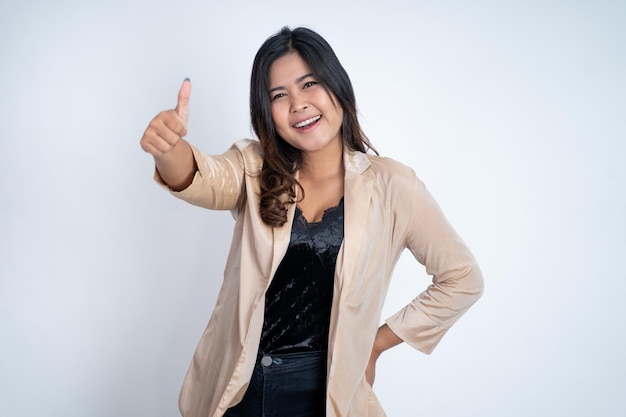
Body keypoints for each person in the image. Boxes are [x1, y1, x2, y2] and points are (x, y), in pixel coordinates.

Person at [140, 26, 483, 417]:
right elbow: (203, 178)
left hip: (322, 389)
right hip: (239, 385)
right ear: (266, 112)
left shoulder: (392, 185)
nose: (298, 104)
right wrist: (168, 149)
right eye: (279, 95)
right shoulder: (254, 168)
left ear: (337, 87)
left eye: (309, 84)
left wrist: (377, 342)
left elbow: (462, 277)